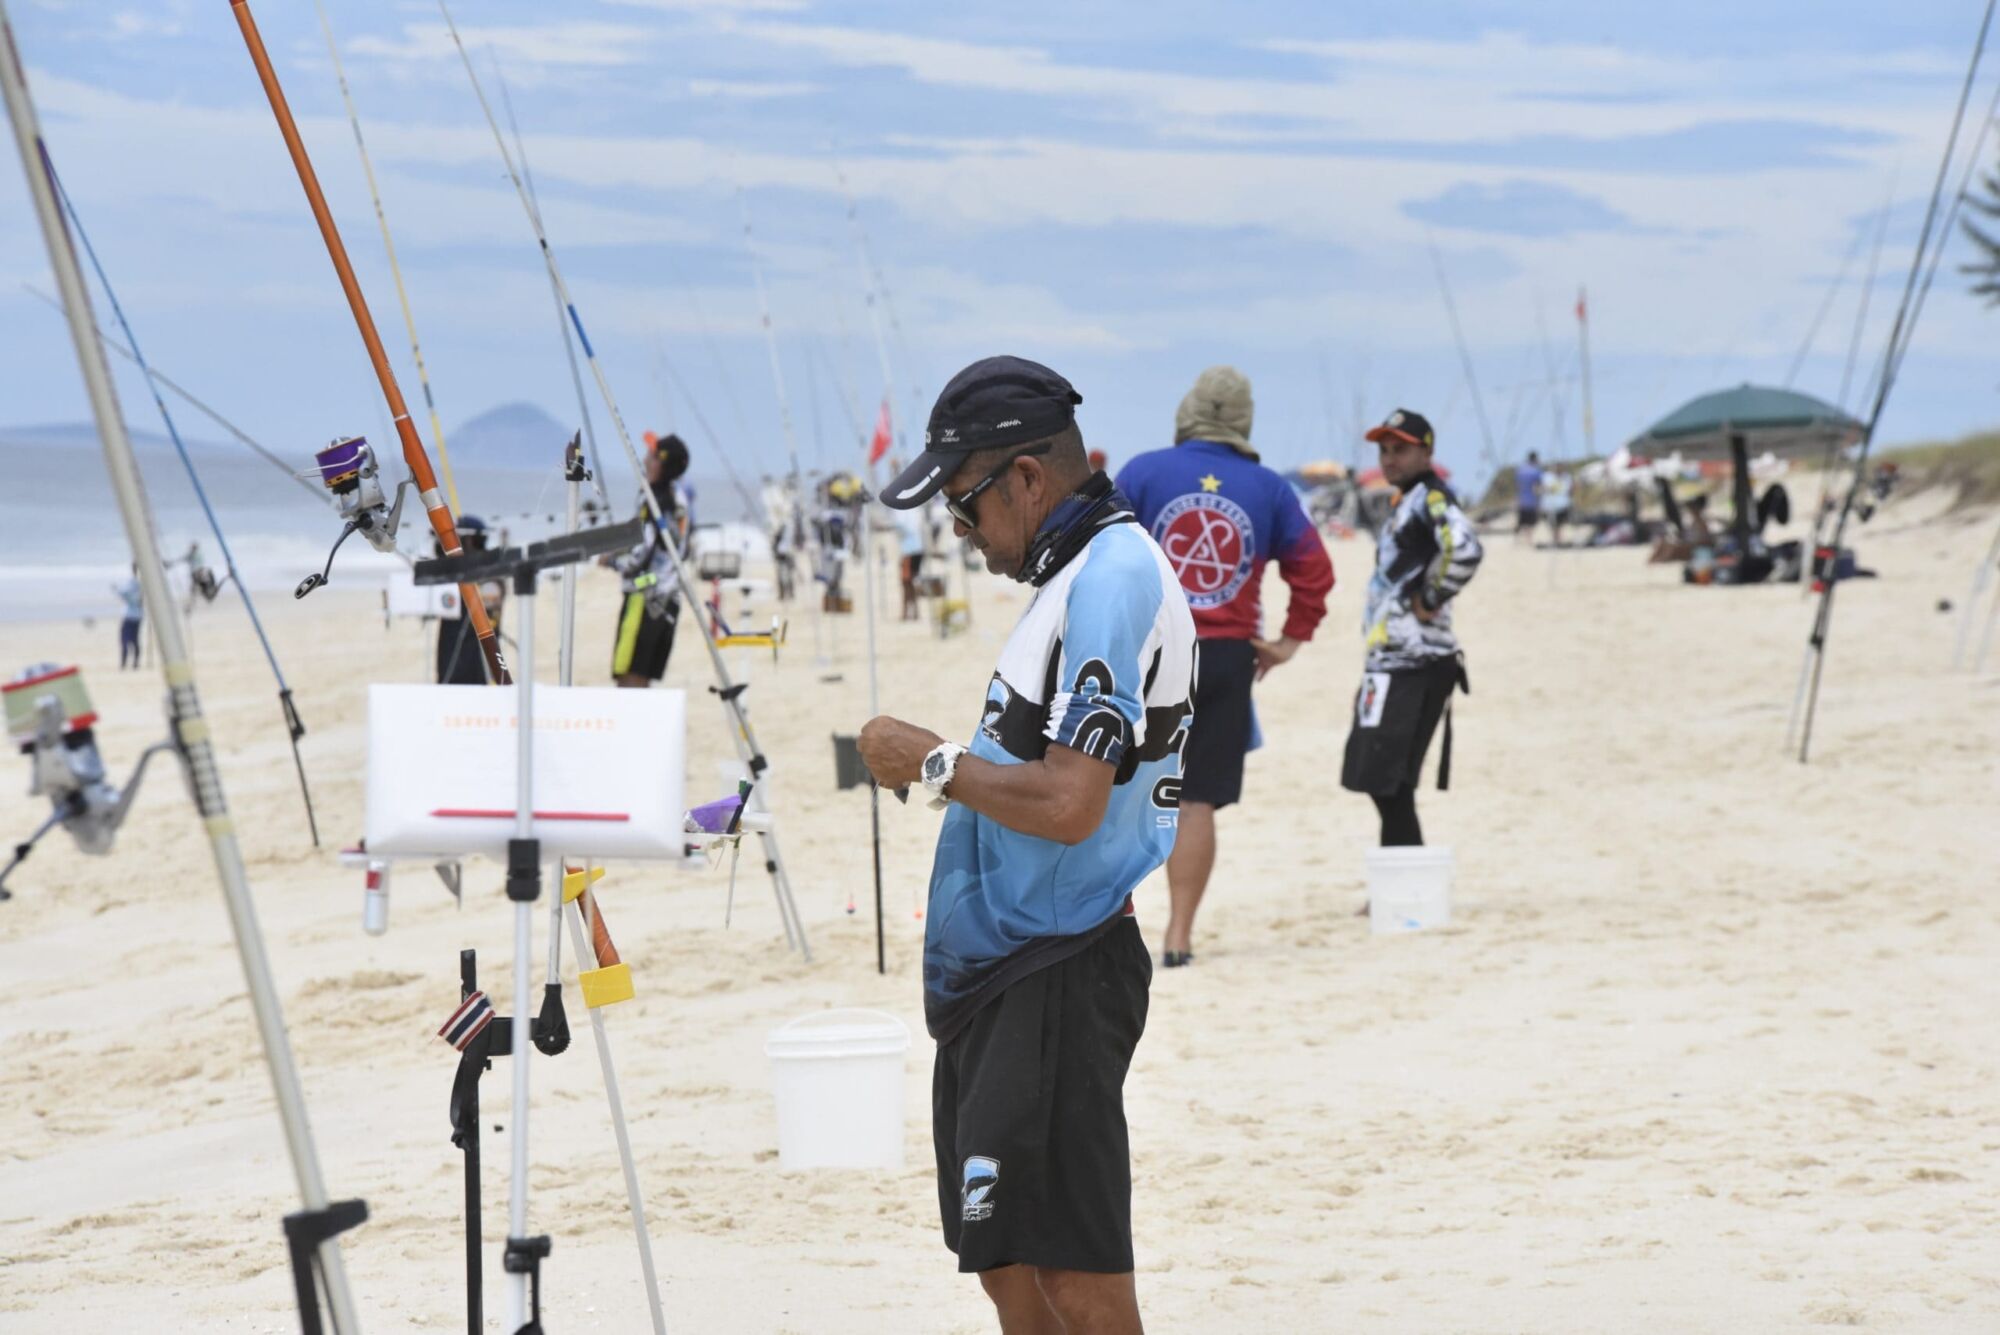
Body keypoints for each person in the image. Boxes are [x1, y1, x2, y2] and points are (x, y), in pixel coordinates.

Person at [858, 355, 1194, 1335]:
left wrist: (930, 763)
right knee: (1005, 1263)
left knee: (1073, 1276)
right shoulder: (1068, 575)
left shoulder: (1112, 575)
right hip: (1001, 978)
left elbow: (1069, 802)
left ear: (1028, 480)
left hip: (1059, 963)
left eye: (963, 509)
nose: (960, 536)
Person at [1115, 365, 1333, 967]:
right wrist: (1291, 639)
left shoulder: (1142, 472)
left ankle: (1106, 924)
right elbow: (1315, 571)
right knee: (1195, 802)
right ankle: (1179, 936)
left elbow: (1099, 552)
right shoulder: (1269, 487)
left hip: (1151, 653)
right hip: (1228, 655)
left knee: (1112, 790)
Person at [1341, 409, 1482, 849]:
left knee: (1389, 783)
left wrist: (1432, 597)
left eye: (1400, 449)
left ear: (1426, 451)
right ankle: (1398, 880)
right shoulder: (1405, 501)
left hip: (1416, 661)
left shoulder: (1431, 497)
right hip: (1390, 661)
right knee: (1379, 780)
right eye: (1383, 450)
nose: (1389, 459)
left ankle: (1405, 885)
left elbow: (1465, 547)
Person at [609, 433, 690, 688]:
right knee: (642, 677)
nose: (644, 461)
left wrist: (612, 561)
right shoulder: (679, 499)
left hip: (644, 598)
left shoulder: (654, 502)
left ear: (661, 464)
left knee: (629, 676)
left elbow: (640, 555)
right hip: (669, 599)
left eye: (651, 456)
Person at [434, 516, 502, 684]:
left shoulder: (484, 575)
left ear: (469, 540)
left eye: (455, 540)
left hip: (473, 663)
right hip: (456, 660)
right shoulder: (486, 570)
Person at [112, 564, 143, 670]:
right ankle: (135, 663)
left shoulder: (132, 583)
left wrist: (116, 589)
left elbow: (123, 593)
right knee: (135, 640)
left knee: (124, 639)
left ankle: (124, 663)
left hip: (129, 615)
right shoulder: (144, 583)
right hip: (139, 615)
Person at [1515, 451, 1544, 543]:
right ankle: (1528, 539)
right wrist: (1540, 499)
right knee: (1531, 521)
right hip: (1532, 499)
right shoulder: (1536, 471)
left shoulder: (1521, 470)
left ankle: (1521, 539)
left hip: (1522, 499)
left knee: (1522, 521)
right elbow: (1538, 486)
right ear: (1535, 459)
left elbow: (1517, 486)